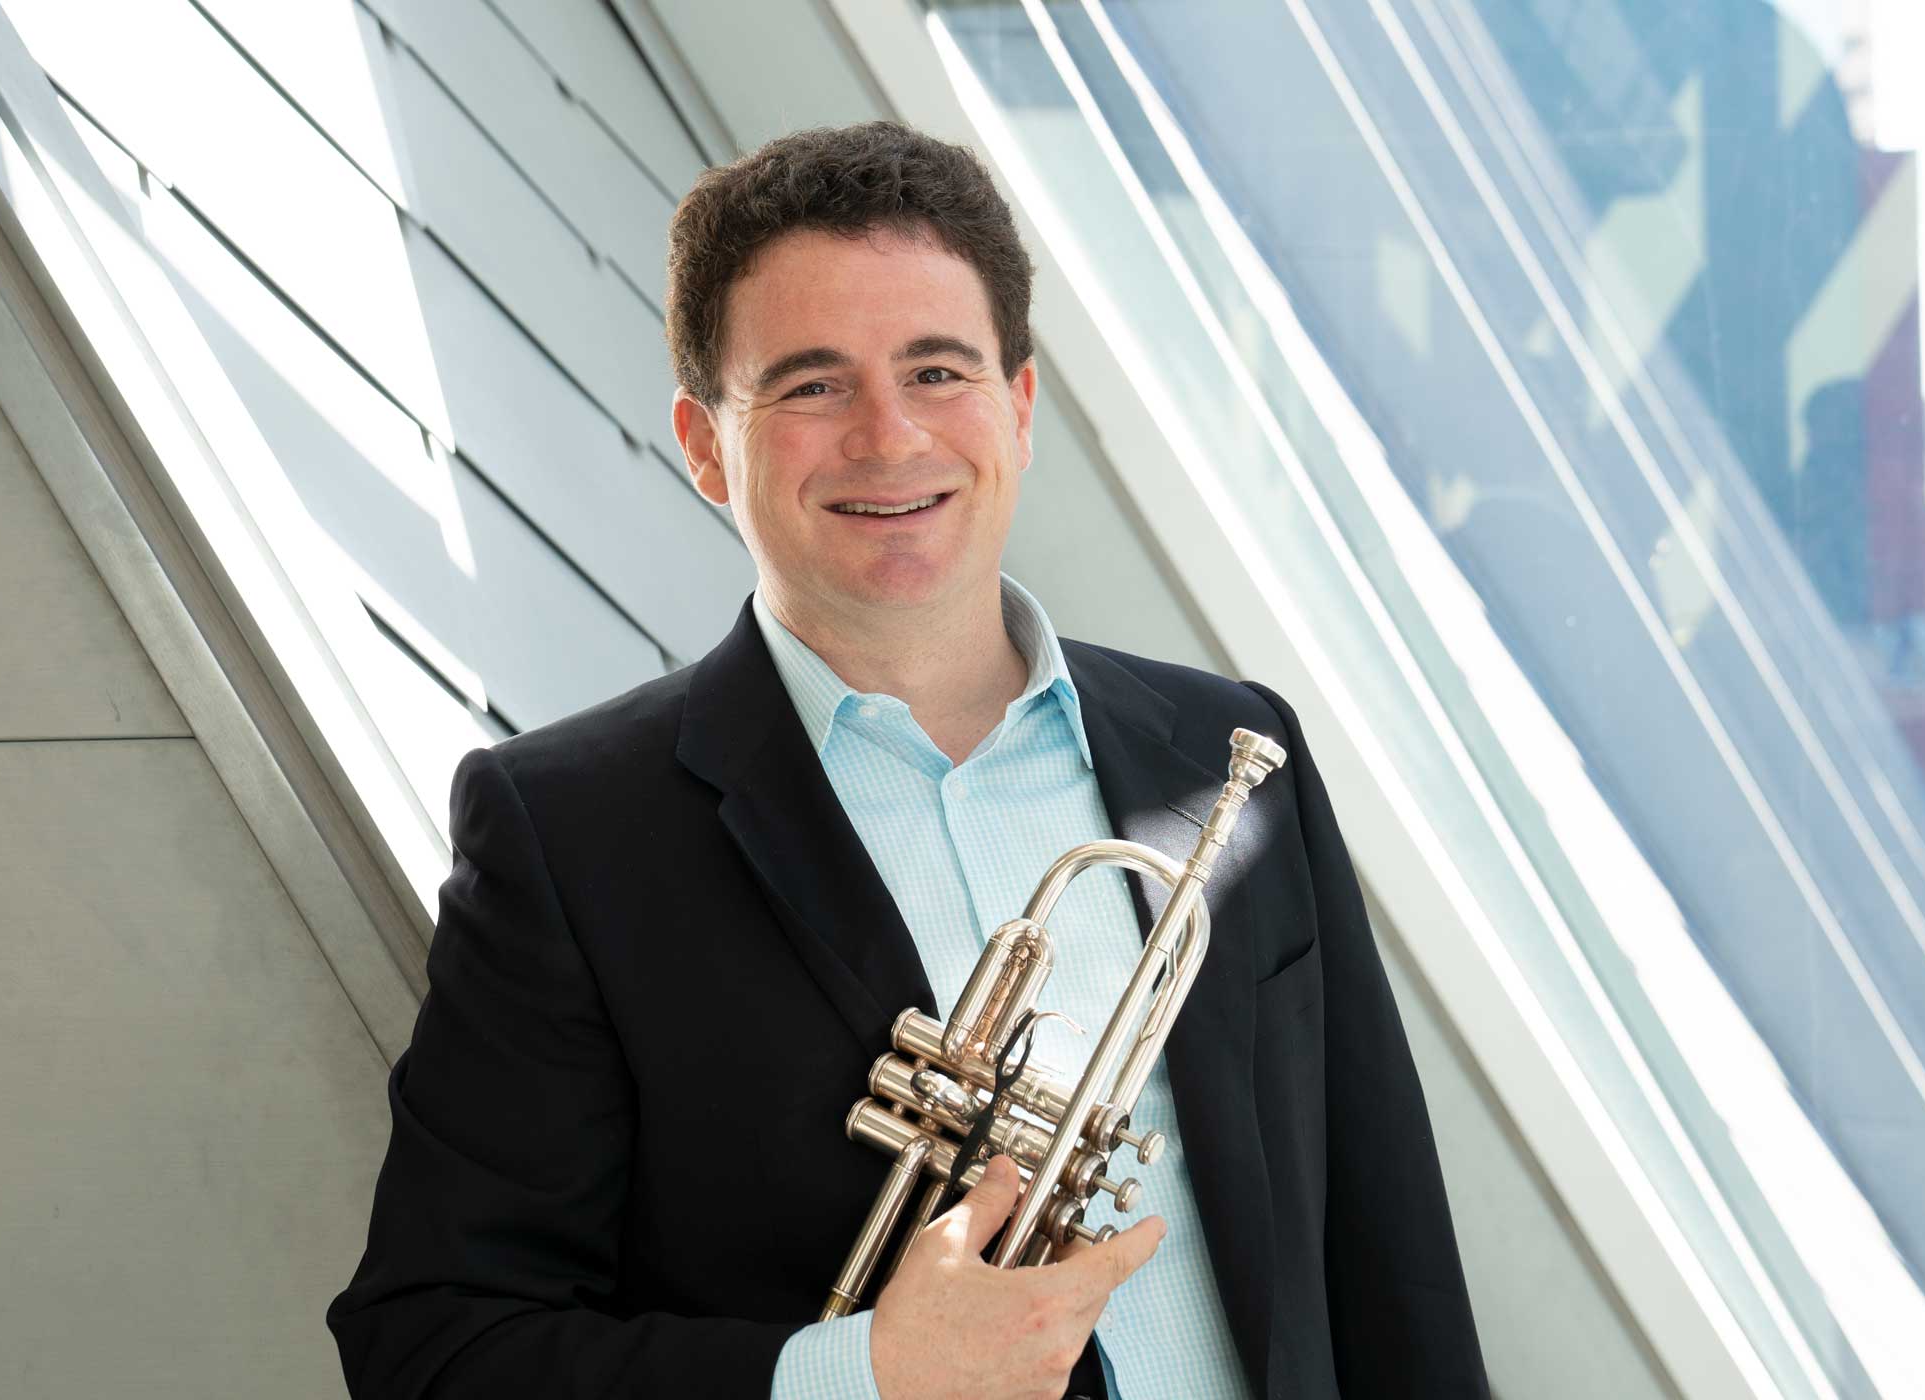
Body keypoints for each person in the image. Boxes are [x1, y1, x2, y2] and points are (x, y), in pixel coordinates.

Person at [326, 120, 1487, 1400]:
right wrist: (856, 1374)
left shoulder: (1227, 758)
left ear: (1019, 404)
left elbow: (1391, 1258)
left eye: (938, 370)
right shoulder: (566, 832)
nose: (888, 436)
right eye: (812, 384)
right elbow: (433, 1349)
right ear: (706, 442)